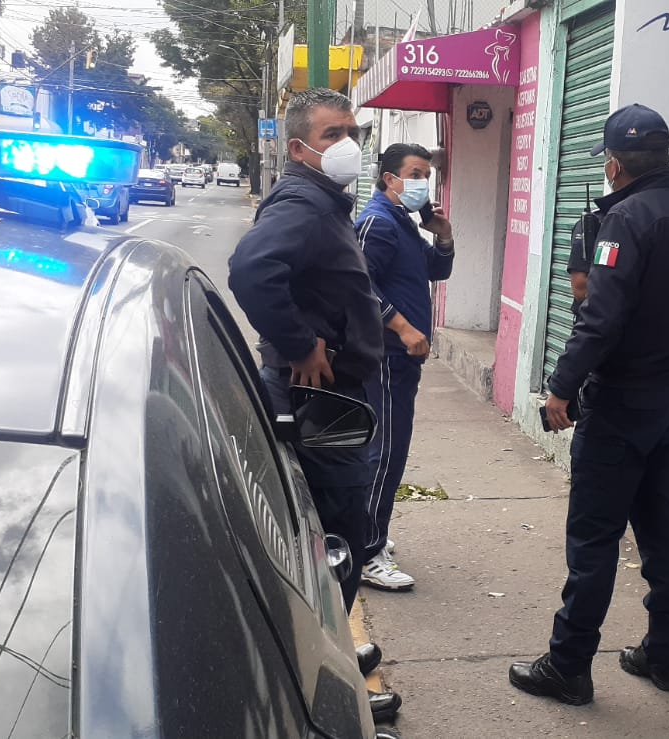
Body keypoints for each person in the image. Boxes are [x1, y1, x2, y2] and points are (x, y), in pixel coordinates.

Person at [509, 104, 669, 706]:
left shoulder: (624, 219)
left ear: (613, 163)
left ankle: (569, 664)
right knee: (661, 528)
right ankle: (666, 653)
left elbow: (599, 320)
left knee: (594, 538)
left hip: (621, 400)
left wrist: (561, 385)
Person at [225, 87, 402, 723]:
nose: (347, 144)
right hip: (318, 397)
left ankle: (329, 657)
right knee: (335, 538)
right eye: (333, 135)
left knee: (325, 533)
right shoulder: (303, 202)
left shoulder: (324, 201)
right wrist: (301, 343)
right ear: (299, 148)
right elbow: (251, 269)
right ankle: (325, 689)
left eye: (353, 131)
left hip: (329, 391)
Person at [354, 142, 456, 591]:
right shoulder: (378, 222)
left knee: (387, 451)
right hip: (388, 357)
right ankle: (367, 551)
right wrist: (402, 327)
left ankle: (370, 533)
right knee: (385, 454)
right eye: (414, 174)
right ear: (389, 178)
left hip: (402, 359)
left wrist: (444, 231)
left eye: (426, 174)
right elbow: (357, 285)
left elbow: (437, 270)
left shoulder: (401, 223)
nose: (422, 182)